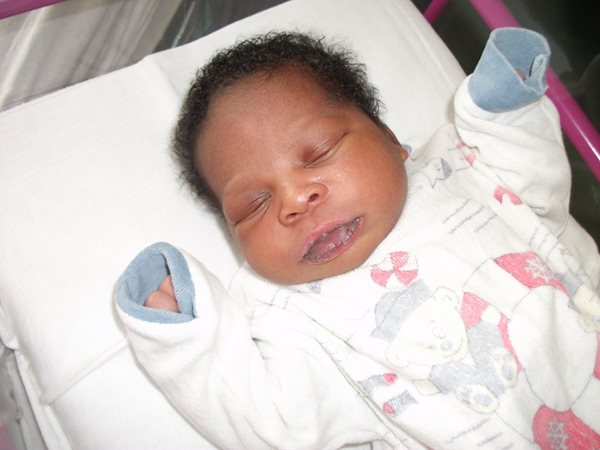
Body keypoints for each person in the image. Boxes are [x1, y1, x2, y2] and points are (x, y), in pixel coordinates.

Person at [115, 29, 600, 449]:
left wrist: (503, 117)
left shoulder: (457, 163)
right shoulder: (286, 312)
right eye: (253, 204)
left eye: (320, 152)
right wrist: (189, 344)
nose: (294, 199)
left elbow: (539, 198)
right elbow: (276, 425)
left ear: (390, 139)